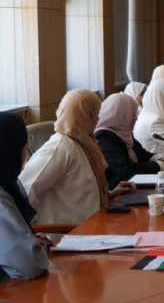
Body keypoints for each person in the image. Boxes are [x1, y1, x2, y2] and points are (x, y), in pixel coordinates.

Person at [19, 90, 134, 225]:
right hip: (68, 234)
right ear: (85, 117)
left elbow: (78, 191)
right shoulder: (60, 147)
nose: (98, 120)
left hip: (93, 227)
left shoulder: (84, 143)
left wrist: (108, 194)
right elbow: (26, 187)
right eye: (95, 115)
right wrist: (28, 234)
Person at [95, 93, 164, 189]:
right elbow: (127, 172)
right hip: (119, 194)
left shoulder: (123, 132)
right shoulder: (104, 138)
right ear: (121, 114)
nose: (136, 118)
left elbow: (143, 155)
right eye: (132, 114)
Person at [0, 113, 48, 280]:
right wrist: (35, 248)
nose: (26, 152)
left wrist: (30, 239)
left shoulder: (9, 183)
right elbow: (29, 265)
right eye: (23, 146)